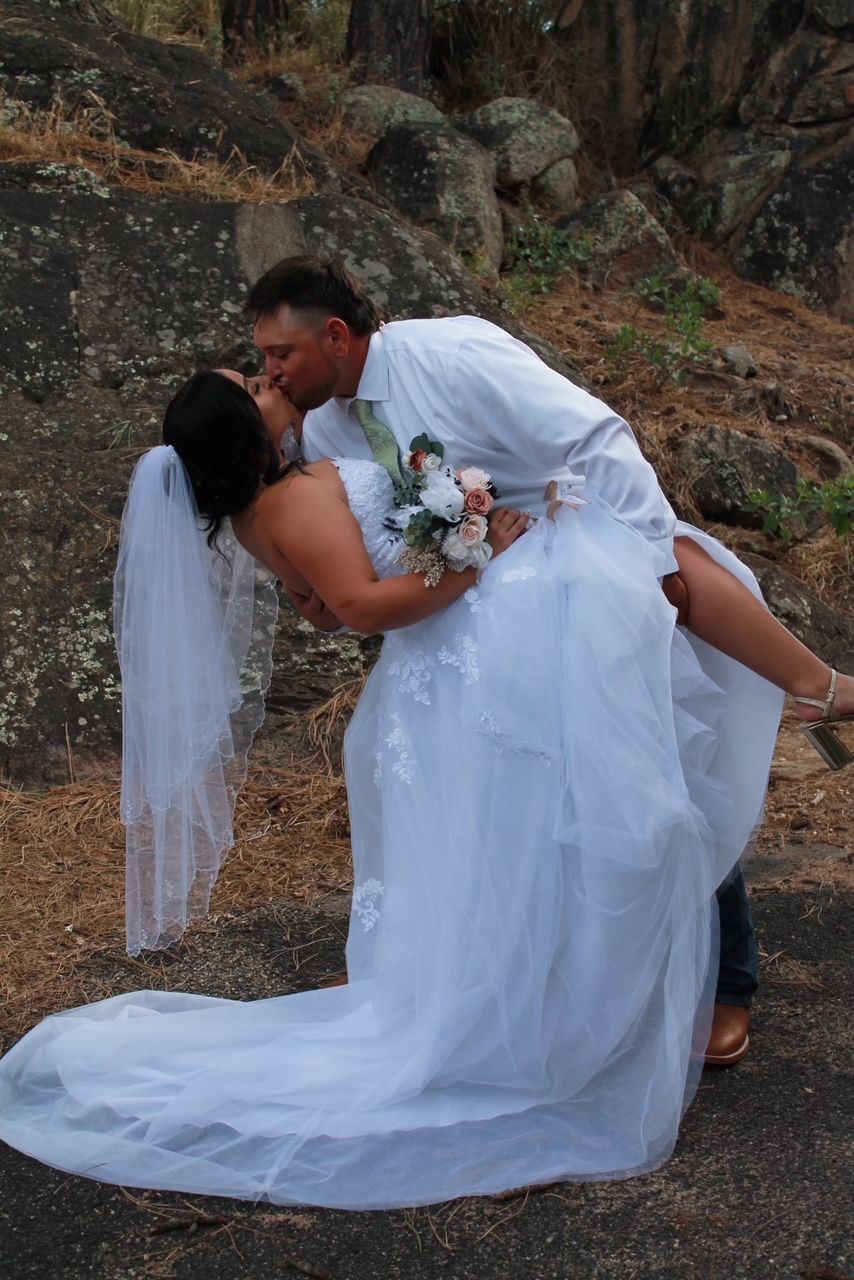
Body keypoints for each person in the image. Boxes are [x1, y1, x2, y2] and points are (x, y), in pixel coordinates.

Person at [0, 362, 800, 1208]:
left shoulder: (250, 518)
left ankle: (558, 982)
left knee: (506, 837)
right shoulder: (300, 496)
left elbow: (322, 608)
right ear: (247, 428)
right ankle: (807, 699)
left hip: (431, 675)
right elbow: (366, 606)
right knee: (598, 771)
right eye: (257, 387)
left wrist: (433, 538)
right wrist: (480, 551)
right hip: (465, 650)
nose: (273, 386)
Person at [245, 255, 853, 1067]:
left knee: (650, 764)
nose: (271, 372)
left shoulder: (450, 356)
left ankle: (726, 980)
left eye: (278, 354)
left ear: (334, 335)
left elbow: (593, 432)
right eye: (260, 361)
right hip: (473, 601)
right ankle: (495, 976)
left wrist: (647, 559)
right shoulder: (323, 428)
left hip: (566, 543)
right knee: (514, 797)